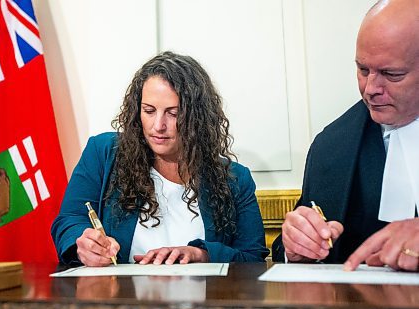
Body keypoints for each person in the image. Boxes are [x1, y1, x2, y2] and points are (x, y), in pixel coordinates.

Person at [52, 51, 269, 266]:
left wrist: (203, 255)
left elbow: (252, 258)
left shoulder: (235, 179)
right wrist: (83, 245)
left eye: (173, 113)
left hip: (200, 300)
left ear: (197, 117)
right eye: (149, 110)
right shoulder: (103, 153)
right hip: (121, 298)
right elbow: (69, 221)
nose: (158, 126)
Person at [272, 0, 419, 272]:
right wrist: (298, 247)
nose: (370, 88)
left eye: (391, 74)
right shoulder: (330, 146)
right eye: (363, 70)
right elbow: (292, 245)